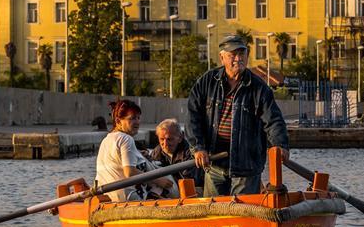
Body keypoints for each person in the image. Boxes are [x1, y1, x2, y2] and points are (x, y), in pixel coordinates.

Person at [188, 34, 289, 197]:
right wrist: (198, 148)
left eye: (242, 54)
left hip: (246, 166)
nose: (238, 58)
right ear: (222, 58)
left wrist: (279, 145)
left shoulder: (259, 88)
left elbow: (274, 120)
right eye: (232, 55)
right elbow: (193, 117)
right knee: (214, 213)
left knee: (244, 210)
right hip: (214, 163)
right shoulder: (207, 82)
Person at [95, 99, 175, 201]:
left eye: (138, 118)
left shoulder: (106, 140)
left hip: (109, 197)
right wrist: (158, 180)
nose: (137, 122)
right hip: (129, 198)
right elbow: (129, 171)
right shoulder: (126, 139)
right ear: (118, 121)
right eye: (132, 118)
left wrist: (137, 155)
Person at [145, 118, 201, 190]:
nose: (165, 144)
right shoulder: (156, 152)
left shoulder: (190, 153)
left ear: (180, 138)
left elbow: (190, 182)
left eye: (169, 139)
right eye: (162, 139)